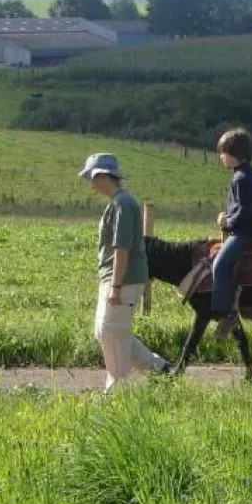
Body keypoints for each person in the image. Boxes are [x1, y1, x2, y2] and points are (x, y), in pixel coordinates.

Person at [79, 152, 170, 391]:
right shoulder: (117, 203)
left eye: (90, 176)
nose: (89, 183)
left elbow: (122, 249)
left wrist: (116, 286)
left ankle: (117, 391)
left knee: (111, 332)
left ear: (101, 175)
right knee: (106, 331)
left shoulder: (123, 204)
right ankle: (159, 370)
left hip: (123, 279)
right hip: (114, 278)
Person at [211, 127, 252, 339]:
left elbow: (245, 212)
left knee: (219, 264)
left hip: (244, 233)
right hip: (247, 230)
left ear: (234, 153)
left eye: (223, 152)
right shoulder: (247, 174)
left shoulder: (241, 178)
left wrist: (227, 221)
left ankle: (225, 313)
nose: (220, 156)